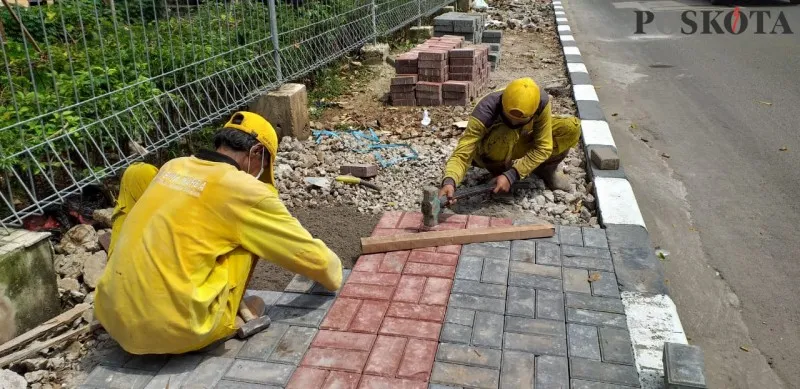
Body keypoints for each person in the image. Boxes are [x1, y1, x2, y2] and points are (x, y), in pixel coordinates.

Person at [94, 111, 342, 355]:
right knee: (250, 233)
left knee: (138, 174)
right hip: (180, 330)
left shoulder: (173, 166)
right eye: (264, 165)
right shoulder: (246, 191)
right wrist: (335, 273)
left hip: (113, 317)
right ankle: (224, 315)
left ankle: (123, 287)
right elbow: (315, 260)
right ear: (256, 152)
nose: (261, 174)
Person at [439, 77, 582, 201]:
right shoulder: (485, 111)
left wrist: (513, 175)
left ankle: (546, 169)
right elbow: (463, 154)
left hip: (520, 141)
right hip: (489, 149)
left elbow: (544, 146)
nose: (514, 123)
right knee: (506, 132)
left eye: (520, 121)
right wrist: (450, 181)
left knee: (571, 128)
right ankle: (498, 175)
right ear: (502, 105)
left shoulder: (540, 102)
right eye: (510, 118)